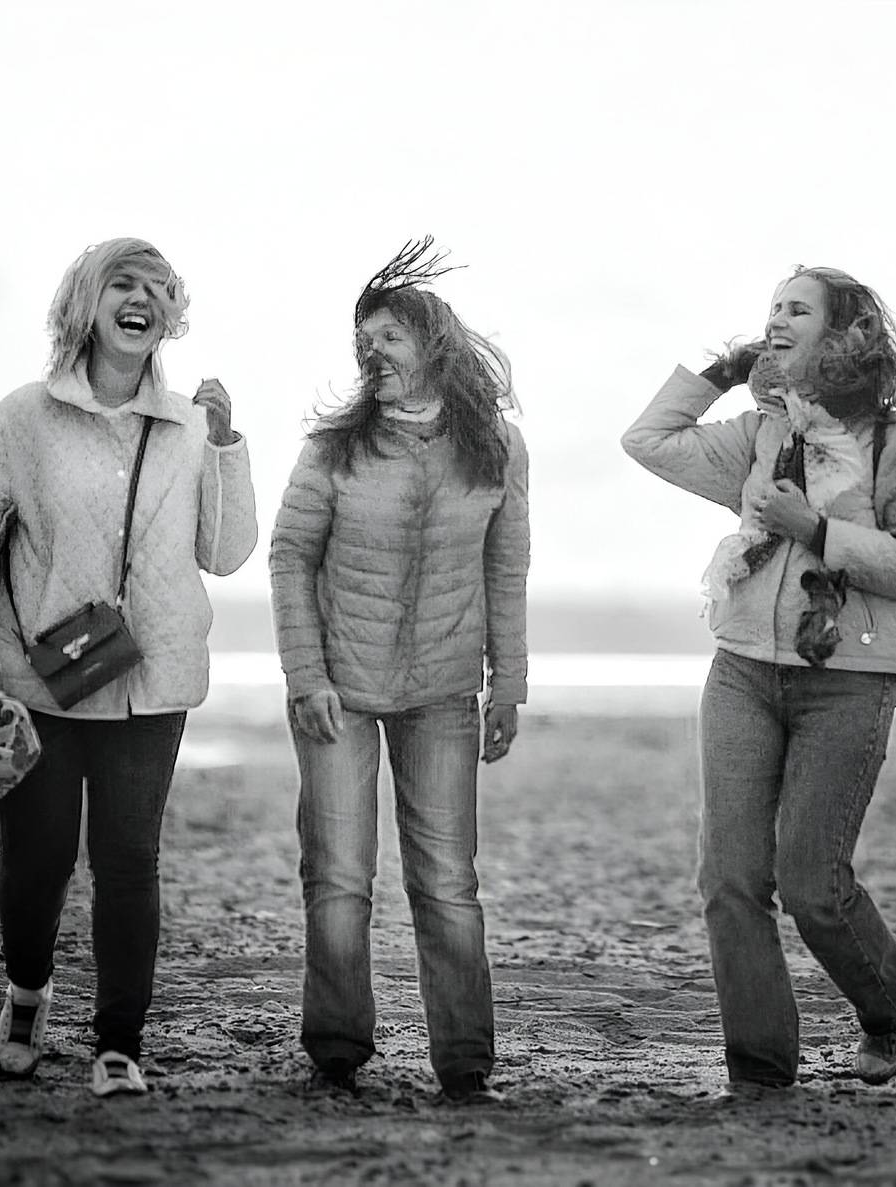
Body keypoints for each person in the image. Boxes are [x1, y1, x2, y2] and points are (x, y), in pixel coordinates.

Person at [0, 237, 258, 1097]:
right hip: (38, 680)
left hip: (153, 682)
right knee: (35, 863)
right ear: (86, 301)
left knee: (129, 860)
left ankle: (119, 1043)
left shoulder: (187, 426)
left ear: (171, 314)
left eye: (157, 287)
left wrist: (226, 444)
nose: (140, 298)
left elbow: (224, 553)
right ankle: (26, 996)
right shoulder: (20, 420)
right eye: (122, 282)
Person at [621, 266, 896, 1092]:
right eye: (771, 307)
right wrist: (722, 368)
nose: (775, 318)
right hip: (742, 668)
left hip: (849, 679)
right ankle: (761, 1071)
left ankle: (892, 991)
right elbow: (648, 440)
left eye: (796, 308)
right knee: (730, 878)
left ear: (844, 332)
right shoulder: (761, 433)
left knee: (813, 885)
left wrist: (816, 529)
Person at [269, 238, 529, 1103]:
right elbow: (290, 557)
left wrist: (509, 683)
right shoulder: (333, 448)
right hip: (337, 691)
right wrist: (305, 675)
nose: (371, 351)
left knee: (448, 883)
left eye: (389, 336)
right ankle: (337, 1047)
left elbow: (506, 569)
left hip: (445, 693)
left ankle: (465, 1062)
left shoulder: (496, 448)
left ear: (433, 345)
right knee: (340, 875)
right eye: (364, 339)